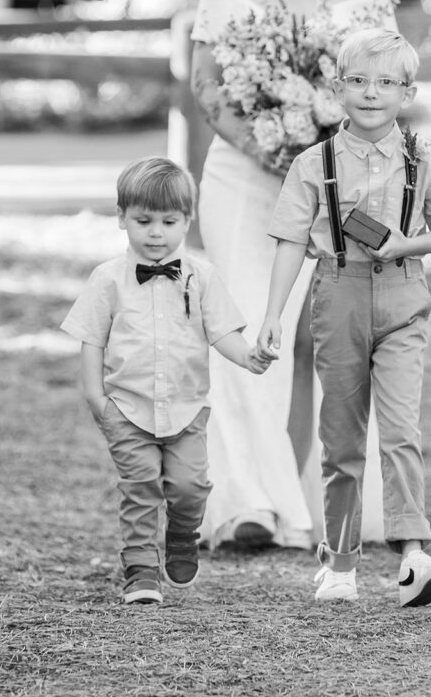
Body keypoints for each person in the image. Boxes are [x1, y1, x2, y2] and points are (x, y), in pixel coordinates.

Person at [190, 0, 396, 550]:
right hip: (242, 178)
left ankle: (320, 501)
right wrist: (273, 150)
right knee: (244, 328)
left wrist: (322, 155)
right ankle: (251, 504)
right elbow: (208, 88)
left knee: (327, 340)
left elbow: (384, 84)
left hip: (335, 180)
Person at [258, 28, 431, 606]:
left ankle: (413, 554)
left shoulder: (425, 159)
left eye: (386, 82)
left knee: (401, 429)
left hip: (404, 299)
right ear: (337, 89)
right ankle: (340, 562)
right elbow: (287, 241)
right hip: (338, 295)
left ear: (408, 91)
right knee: (343, 435)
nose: (371, 93)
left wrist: (406, 245)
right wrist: (274, 314)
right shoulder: (314, 163)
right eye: (358, 81)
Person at [61, 157, 272, 605]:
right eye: (143, 221)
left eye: (168, 221)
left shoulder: (202, 276)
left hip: (187, 409)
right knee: (139, 490)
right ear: (121, 218)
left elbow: (222, 333)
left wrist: (248, 357)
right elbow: (91, 340)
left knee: (189, 486)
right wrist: (96, 398)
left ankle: (181, 534)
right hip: (128, 409)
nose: (156, 233)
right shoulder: (107, 280)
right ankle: (140, 571)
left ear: (186, 220)